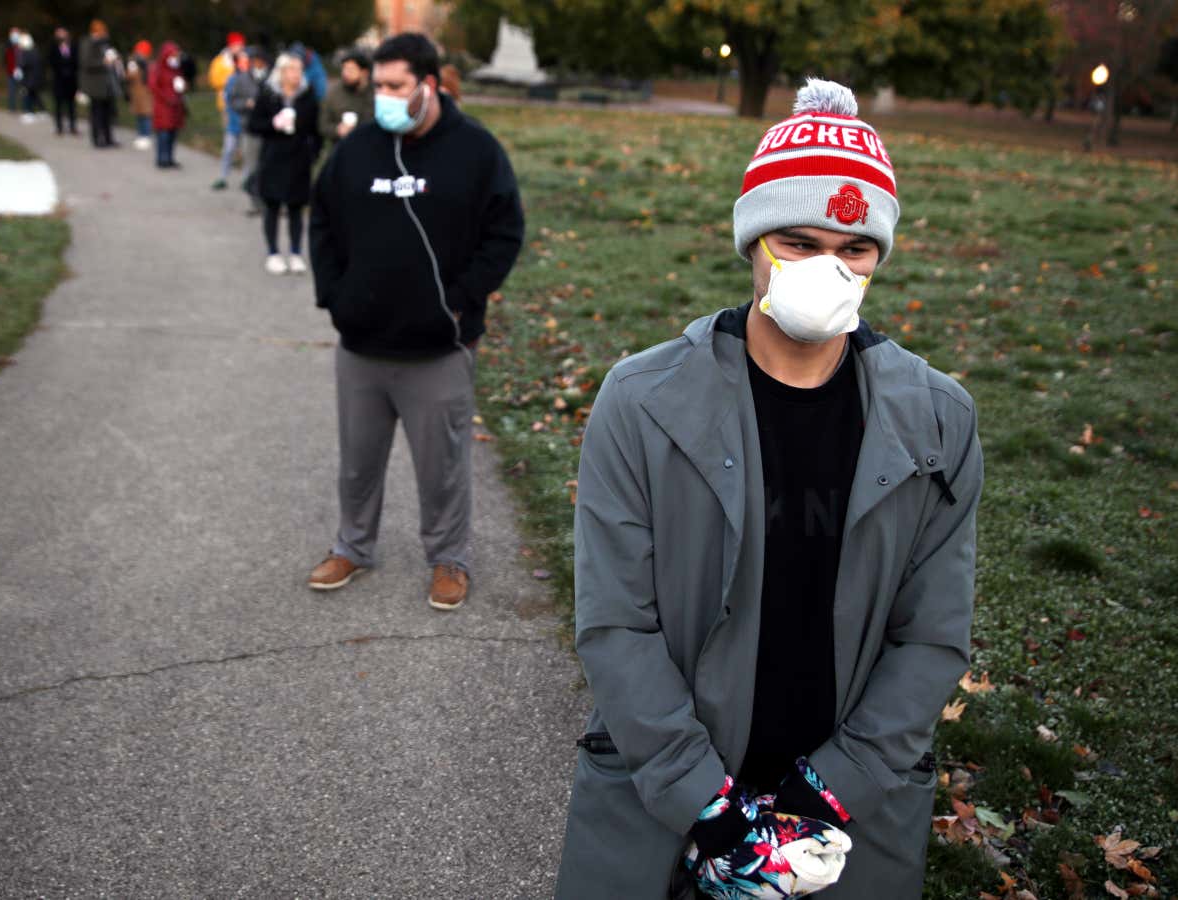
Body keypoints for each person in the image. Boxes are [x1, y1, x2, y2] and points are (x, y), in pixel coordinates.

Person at [554, 78, 984, 900]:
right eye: (796, 241)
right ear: (752, 242)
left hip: (845, 821)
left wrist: (831, 789)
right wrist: (706, 805)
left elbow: (931, 636)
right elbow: (615, 623)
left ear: (880, 257)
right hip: (666, 805)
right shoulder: (642, 403)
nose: (828, 268)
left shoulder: (938, 422)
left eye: (854, 249)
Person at [305, 32, 523, 611]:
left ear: (428, 85)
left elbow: (505, 232)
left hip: (438, 349)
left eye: (395, 86)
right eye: (378, 86)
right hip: (362, 346)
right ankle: (352, 546)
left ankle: (448, 559)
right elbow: (321, 220)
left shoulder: (476, 150)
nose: (383, 97)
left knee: (443, 469)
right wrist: (335, 296)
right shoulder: (356, 150)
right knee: (357, 464)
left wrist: (461, 298)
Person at [246, 53, 317, 271]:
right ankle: (273, 253)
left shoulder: (307, 95)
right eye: (292, 69)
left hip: (298, 159)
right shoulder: (268, 95)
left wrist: (312, 153)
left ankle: (295, 252)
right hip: (273, 158)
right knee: (272, 207)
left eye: (299, 69)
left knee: (296, 208)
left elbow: (315, 128)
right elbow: (253, 125)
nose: (297, 74)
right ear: (282, 72)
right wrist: (273, 124)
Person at [214, 47, 258, 190]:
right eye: (241, 61)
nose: (244, 64)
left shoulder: (255, 80)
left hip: (248, 124)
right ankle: (222, 177)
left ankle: (246, 180)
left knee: (247, 154)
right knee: (228, 150)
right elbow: (229, 100)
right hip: (234, 122)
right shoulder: (232, 80)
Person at [319, 49, 372, 149]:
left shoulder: (375, 93)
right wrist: (337, 130)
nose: (345, 73)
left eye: (351, 70)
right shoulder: (334, 93)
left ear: (364, 73)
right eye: (344, 69)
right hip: (341, 148)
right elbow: (323, 125)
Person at [79, 20, 119, 148]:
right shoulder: (88, 43)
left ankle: (108, 138)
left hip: (107, 84)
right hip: (95, 85)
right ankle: (97, 139)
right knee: (97, 113)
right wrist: (103, 62)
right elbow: (86, 63)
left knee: (107, 113)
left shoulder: (105, 44)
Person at [148, 41, 188, 169]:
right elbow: (153, 86)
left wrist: (182, 88)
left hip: (176, 107)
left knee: (173, 134)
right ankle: (162, 159)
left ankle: (170, 158)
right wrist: (166, 98)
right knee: (163, 135)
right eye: (173, 55)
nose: (175, 58)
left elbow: (180, 85)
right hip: (163, 108)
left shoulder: (176, 70)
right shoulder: (158, 69)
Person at [48, 27, 79, 135]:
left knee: (71, 106)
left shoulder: (73, 47)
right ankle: (59, 127)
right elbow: (51, 62)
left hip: (71, 81)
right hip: (59, 81)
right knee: (58, 106)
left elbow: (77, 61)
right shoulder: (53, 48)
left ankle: (73, 127)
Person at [124, 40, 154, 150]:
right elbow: (129, 76)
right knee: (143, 115)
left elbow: (128, 76)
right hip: (142, 93)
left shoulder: (135, 62)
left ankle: (144, 136)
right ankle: (143, 136)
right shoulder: (143, 62)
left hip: (142, 93)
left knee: (144, 115)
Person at [16, 32, 45, 119]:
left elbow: (23, 64)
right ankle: (42, 110)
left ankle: (29, 112)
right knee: (34, 95)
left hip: (30, 78)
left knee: (28, 95)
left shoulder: (27, 52)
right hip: (34, 78)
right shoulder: (35, 51)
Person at [4, 28, 22, 111]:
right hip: (11, 71)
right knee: (11, 90)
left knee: (22, 90)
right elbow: (5, 58)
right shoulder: (8, 45)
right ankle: (12, 107)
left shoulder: (22, 43)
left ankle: (25, 107)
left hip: (22, 71)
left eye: (16, 32)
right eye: (13, 33)